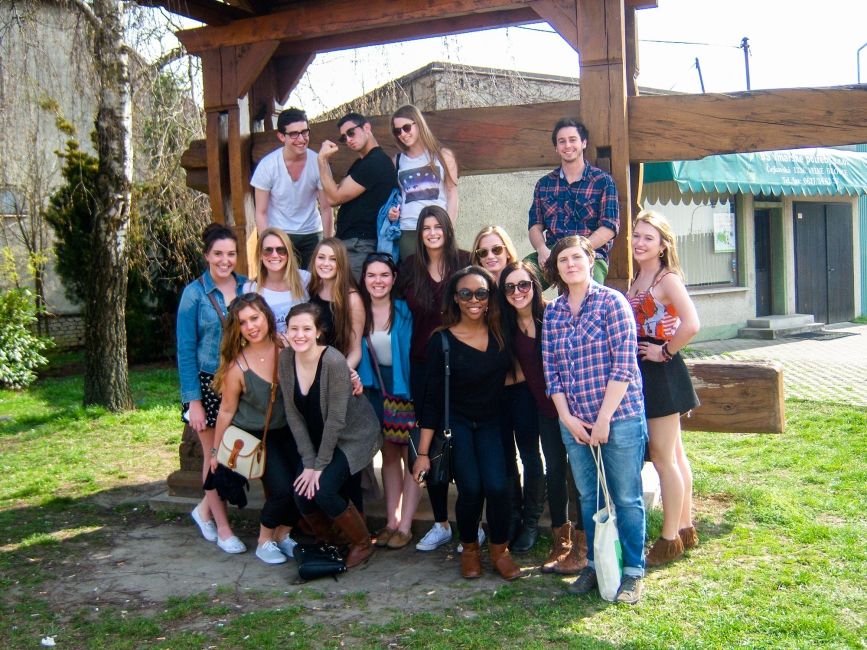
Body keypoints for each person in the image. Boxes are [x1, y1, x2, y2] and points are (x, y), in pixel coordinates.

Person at [542, 235, 647, 604]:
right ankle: (595, 565)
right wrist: (566, 418)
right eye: (562, 260)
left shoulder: (612, 303)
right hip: (574, 422)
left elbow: (624, 364)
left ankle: (633, 570)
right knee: (590, 497)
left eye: (576, 257)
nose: (570, 264)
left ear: (590, 261)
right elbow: (551, 370)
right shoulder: (552, 312)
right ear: (555, 268)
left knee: (626, 496)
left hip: (618, 417)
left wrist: (603, 419)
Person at [412, 266, 520, 581]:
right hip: (456, 424)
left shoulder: (502, 333)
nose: (474, 300)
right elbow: (432, 399)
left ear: (490, 298)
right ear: (456, 299)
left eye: (481, 293)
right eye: (466, 293)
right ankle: (470, 548)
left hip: (492, 422)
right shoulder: (441, 341)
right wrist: (422, 452)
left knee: (498, 487)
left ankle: (500, 550)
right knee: (471, 489)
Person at [397, 205, 476, 552]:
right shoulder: (409, 269)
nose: (432, 232)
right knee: (428, 442)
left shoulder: (463, 261)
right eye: (425, 227)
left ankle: (470, 523)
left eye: (437, 226)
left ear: (447, 229)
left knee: (462, 437)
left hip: (462, 360)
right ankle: (441, 522)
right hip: (422, 363)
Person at [498, 261, 587, 570]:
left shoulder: (552, 313)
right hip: (543, 408)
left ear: (535, 285)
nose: (517, 292)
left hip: (571, 406)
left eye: (523, 284)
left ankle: (584, 538)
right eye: (509, 287)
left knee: (577, 471)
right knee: (554, 469)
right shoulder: (506, 323)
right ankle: (560, 538)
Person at [279, 303, 383, 568]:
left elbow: (337, 420)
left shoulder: (333, 361)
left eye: (306, 329)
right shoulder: (286, 359)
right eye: (294, 329)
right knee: (302, 492)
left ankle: (362, 543)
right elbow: (293, 414)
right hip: (318, 437)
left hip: (353, 435)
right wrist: (309, 461)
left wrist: (318, 466)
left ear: (318, 332)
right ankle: (329, 540)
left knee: (323, 489)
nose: (299, 335)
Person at [627, 210, 700, 566]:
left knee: (662, 458)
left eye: (648, 238)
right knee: (676, 455)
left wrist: (665, 350)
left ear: (662, 245)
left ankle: (669, 538)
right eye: (637, 235)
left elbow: (692, 323)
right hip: (645, 370)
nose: (639, 242)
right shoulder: (640, 274)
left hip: (661, 372)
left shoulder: (667, 279)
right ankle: (685, 527)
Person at [211, 294, 300, 564]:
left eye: (255, 318)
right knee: (282, 489)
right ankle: (264, 541)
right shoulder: (237, 367)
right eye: (243, 322)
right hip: (257, 435)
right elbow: (226, 411)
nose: (251, 326)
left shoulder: (286, 345)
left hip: (290, 430)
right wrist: (216, 451)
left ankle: (283, 535)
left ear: (267, 317)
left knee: (304, 487)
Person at [176, 224, 247, 554]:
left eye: (231, 253)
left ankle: (204, 509)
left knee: (238, 454)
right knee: (213, 455)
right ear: (206, 255)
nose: (225, 260)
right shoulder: (194, 294)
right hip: (207, 383)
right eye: (218, 253)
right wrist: (194, 402)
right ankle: (222, 527)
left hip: (242, 382)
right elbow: (185, 349)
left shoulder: (247, 287)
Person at [357, 252, 421, 550]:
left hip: (408, 389)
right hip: (377, 392)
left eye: (384, 275)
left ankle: (406, 525)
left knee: (412, 457)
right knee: (389, 457)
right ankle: (391, 521)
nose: (378, 281)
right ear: (364, 279)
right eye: (372, 275)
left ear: (393, 279)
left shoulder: (405, 311)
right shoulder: (360, 311)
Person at [527, 118, 620, 285]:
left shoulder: (603, 181)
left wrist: (579, 250)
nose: (567, 145)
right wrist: (541, 250)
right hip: (552, 253)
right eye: (562, 141)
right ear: (556, 148)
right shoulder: (544, 184)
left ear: (584, 143)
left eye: (572, 140)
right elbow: (535, 225)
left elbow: (610, 227)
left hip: (590, 254)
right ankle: (544, 309)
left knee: (590, 296)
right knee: (519, 280)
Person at [318, 112, 398, 280]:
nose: (348, 140)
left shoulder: (375, 162)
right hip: (351, 244)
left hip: (360, 245)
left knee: (352, 299)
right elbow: (336, 191)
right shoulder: (361, 163)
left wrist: (322, 161)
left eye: (351, 133)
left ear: (366, 127)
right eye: (343, 138)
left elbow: (333, 198)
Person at [252, 108, 334, 270]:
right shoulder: (268, 166)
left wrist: (327, 242)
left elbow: (326, 207)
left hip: (312, 232)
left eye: (305, 132)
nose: (301, 139)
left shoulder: (318, 162)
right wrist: (267, 246)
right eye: (294, 134)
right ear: (282, 136)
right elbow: (261, 212)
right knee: (286, 286)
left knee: (314, 286)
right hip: (280, 234)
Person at [388, 105, 459, 261]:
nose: (403, 134)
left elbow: (452, 193)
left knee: (444, 278)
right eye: (397, 131)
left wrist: (449, 227)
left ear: (418, 124)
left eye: (406, 128)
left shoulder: (442, 155)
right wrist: (393, 212)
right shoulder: (398, 161)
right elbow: (399, 196)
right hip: (409, 229)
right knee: (413, 280)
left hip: (438, 228)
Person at [243, 227, 310, 342]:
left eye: (281, 250)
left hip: (302, 351)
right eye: (268, 250)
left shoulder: (305, 279)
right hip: (269, 352)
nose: (274, 255)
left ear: (288, 253)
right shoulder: (250, 288)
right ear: (260, 254)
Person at [307, 237, 364, 371]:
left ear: (341, 263)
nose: (326, 263)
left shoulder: (352, 299)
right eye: (321, 257)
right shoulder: (314, 287)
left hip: (338, 370)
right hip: (312, 368)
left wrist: (339, 377)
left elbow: (356, 351)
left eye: (333, 259)